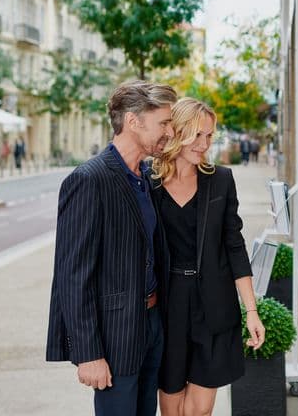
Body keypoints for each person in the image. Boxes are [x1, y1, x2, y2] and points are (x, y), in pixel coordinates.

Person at [46, 80, 178, 416]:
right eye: (163, 123)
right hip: (115, 335)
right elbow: (72, 276)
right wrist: (89, 353)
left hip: (151, 325)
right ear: (134, 121)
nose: (170, 132)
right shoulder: (89, 180)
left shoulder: (146, 177)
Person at [151, 98, 265, 416]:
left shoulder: (221, 180)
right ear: (178, 132)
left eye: (210, 136)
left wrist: (251, 310)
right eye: (197, 135)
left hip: (213, 306)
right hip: (168, 307)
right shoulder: (150, 182)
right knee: (172, 408)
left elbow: (234, 246)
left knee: (199, 411)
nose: (204, 144)